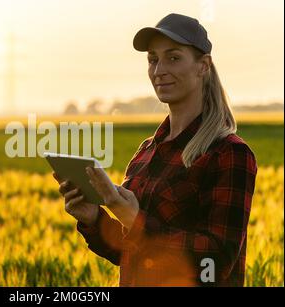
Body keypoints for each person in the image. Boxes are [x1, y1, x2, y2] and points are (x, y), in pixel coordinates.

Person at [53, 13, 257, 286]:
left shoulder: (228, 154)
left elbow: (216, 261)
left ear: (203, 66)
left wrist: (136, 220)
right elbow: (132, 253)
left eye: (173, 57)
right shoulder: (146, 152)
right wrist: (94, 219)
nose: (159, 70)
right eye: (153, 60)